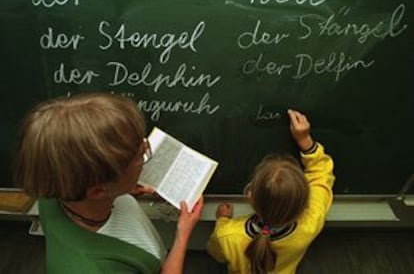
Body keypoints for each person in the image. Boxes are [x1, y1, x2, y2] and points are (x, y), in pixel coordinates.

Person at [14, 92, 203, 274]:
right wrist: (183, 235)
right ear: (98, 191)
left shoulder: (56, 184)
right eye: (140, 156)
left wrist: (124, 189)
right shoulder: (95, 268)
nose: (147, 147)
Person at [206, 109, 335, 274]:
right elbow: (321, 174)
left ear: (250, 196)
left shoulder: (228, 235)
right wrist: (305, 140)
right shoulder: (310, 223)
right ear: (304, 200)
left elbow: (216, 253)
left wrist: (222, 220)